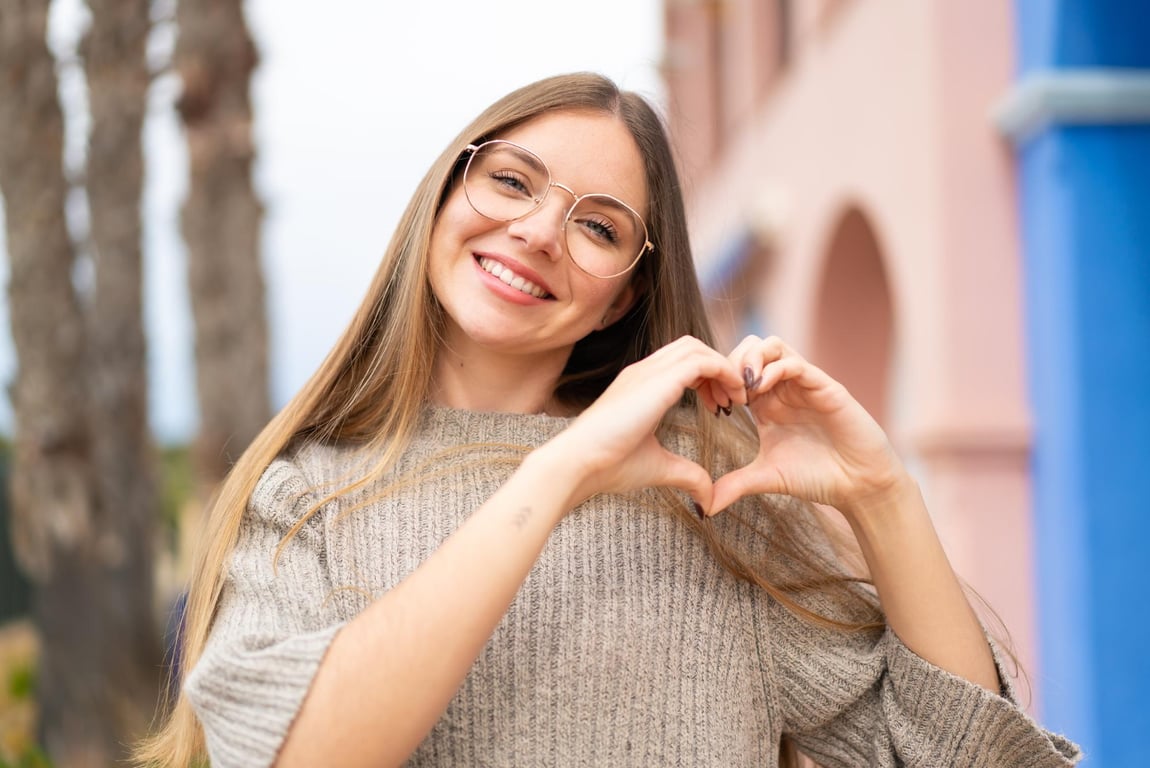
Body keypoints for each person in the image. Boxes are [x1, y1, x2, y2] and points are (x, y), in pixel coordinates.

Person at [137, 73, 1081, 768]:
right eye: (511, 181)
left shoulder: (711, 502)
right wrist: (559, 472)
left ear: (621, 300)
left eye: (598, 226)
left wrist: (882, 495)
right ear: (443, 197)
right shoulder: (305, 494)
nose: (541, 231)